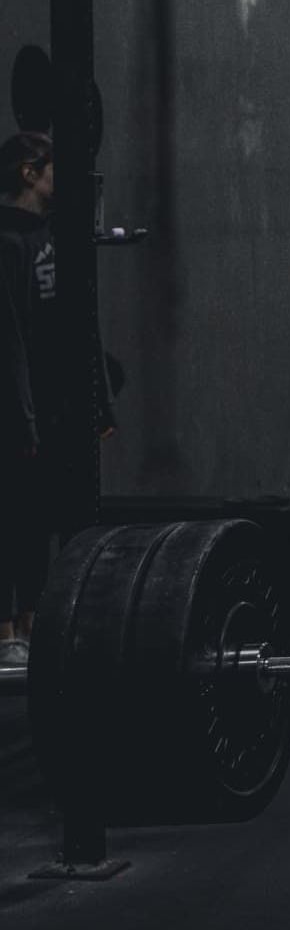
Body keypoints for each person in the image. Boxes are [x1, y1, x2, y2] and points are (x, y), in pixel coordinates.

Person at [0, 133, 57, 667]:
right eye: (53, 167)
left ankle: (34, 621)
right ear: (29, 173)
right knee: (10, 514)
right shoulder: (8, 242)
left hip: (52, 404)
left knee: (40, 517)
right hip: (16, 411)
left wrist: (101, 400)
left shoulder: (52, 235)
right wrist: (23, 417)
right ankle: (6, 630)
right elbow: (9, 338)